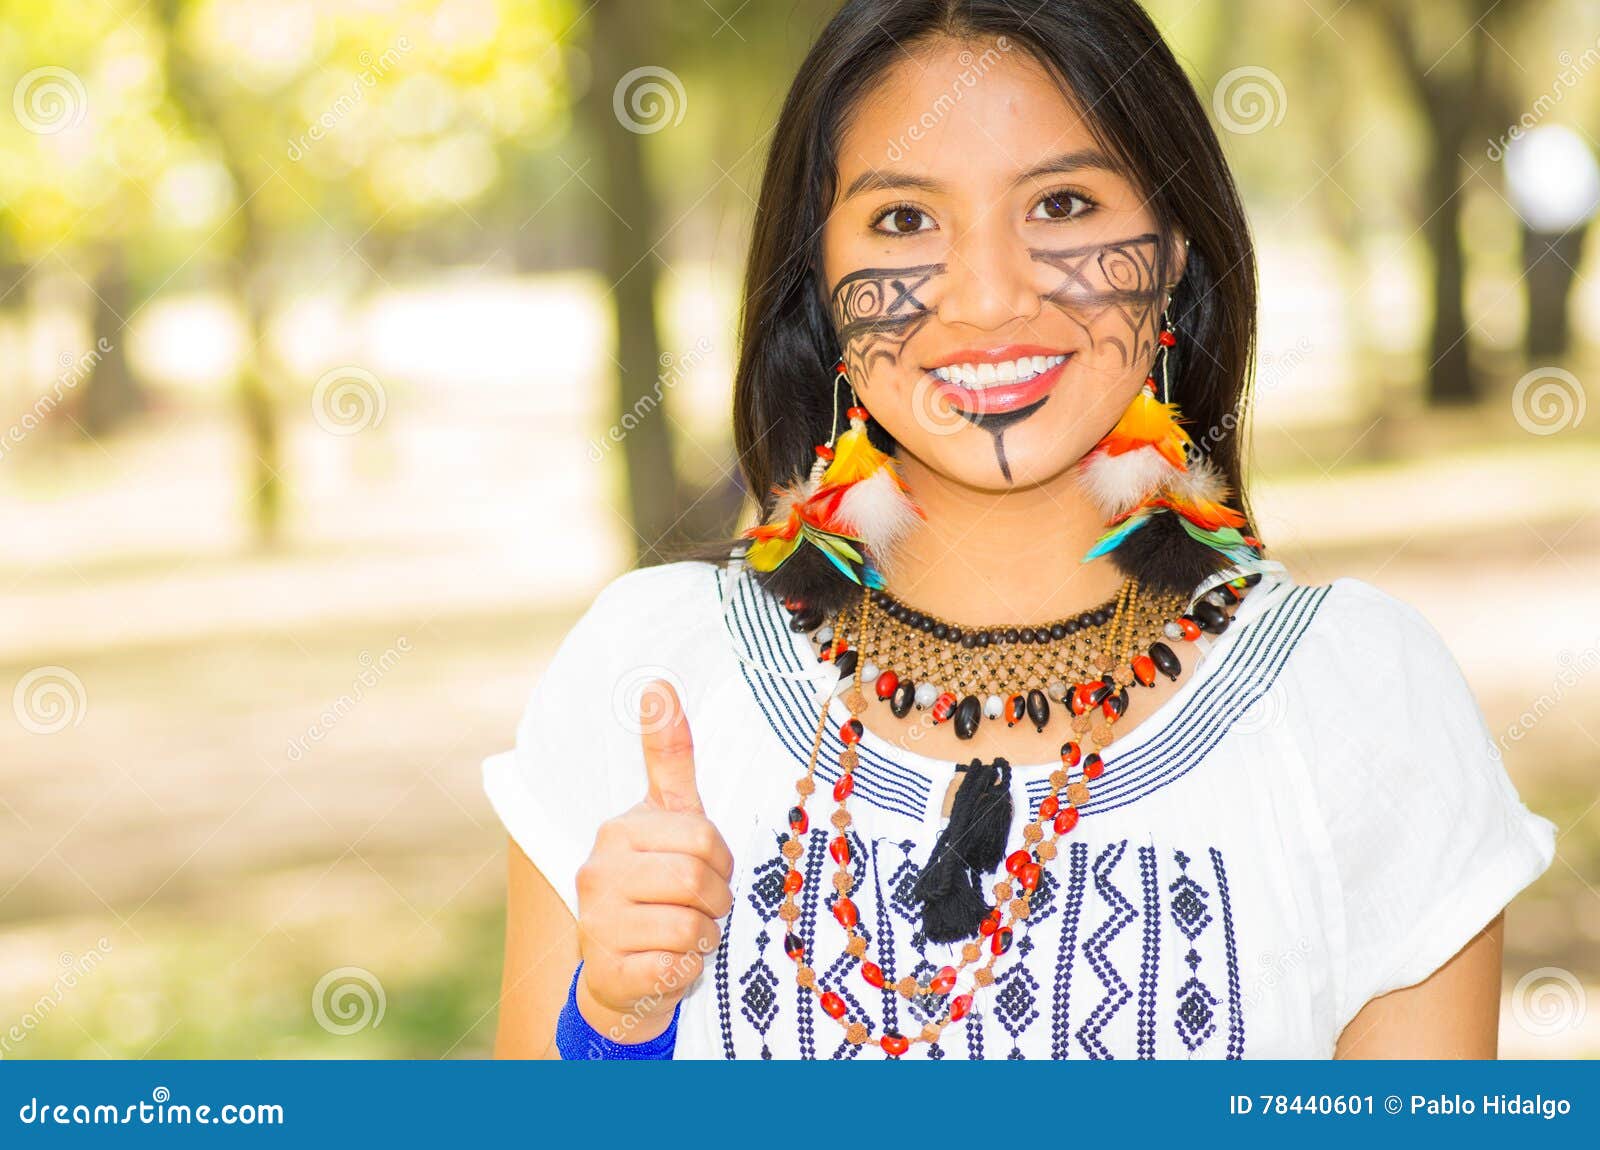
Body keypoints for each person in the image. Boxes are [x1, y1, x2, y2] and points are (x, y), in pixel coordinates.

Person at [483, 0, 1556, 1060]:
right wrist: (613, 1032)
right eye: (904, 219)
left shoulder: (1360, 702)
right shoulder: (652, 677)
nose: (989, 297)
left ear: (1174, 243)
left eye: (1063, 204)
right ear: (817, 274)